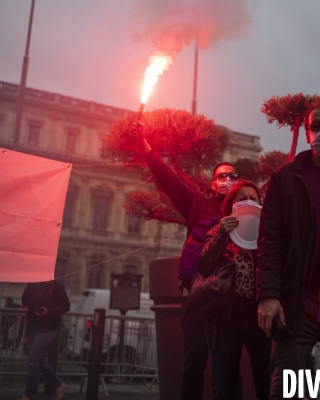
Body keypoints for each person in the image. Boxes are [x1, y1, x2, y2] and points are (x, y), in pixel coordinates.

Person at [132, 122, 239, 400]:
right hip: (197, 298)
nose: (225, 179)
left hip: (232, 303)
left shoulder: (245, 210)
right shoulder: (197, 205)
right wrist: (144, 145)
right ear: (212, 182)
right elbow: (168, 178)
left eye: (231, 175)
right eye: (220, 175)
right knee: (193, 366)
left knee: (229, 369)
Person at [256, 103, 320, 398]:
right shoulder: (286, 178)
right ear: (307, 135)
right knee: (286, 389)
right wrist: (269, 295)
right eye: (317, 126)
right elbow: (269, 240)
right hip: (300, 300)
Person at [197, 181, 271, 400]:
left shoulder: (267, 234)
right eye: (241, 198)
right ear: (230, 206)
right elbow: (203, 266)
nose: (248, 201)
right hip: (225, 317)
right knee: (224, 384)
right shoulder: (217, 231)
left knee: (266, 381)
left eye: (254, 198)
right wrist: (221, 233)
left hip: (258, 315)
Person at [18, 281, 70, 400]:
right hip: (36, 326)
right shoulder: (37, 285)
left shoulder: (57, 286)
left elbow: (66, 305)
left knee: (32, 360)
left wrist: (49, 312)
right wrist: (30, 284)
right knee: (39, 362)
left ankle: (28, 394)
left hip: (48, 327)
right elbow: (25, 300)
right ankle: (59, 384)